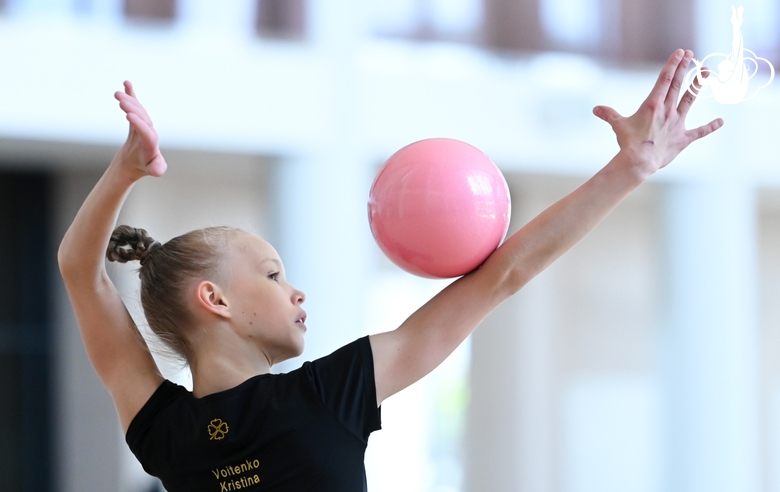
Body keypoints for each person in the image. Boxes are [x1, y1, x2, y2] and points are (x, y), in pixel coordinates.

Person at [58, 49, 722, 491]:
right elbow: (79, 270)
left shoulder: (328, 393)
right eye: (270, 273)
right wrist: (123, 173)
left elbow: (503, 274)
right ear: (216, 299)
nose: (295, 290)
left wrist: (629, 169)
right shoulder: (169, 425)